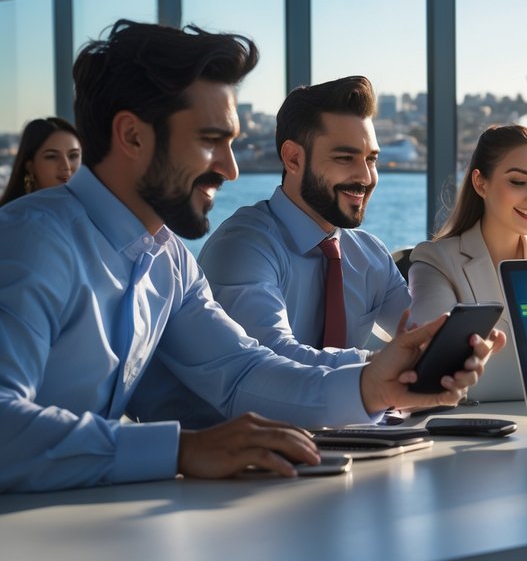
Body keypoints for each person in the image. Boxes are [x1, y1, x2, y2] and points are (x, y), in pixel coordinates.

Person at [0, 20, 501, 493]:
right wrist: (180, 451)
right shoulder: (30, 242)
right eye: (210, 141)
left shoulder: (170, 262)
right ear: (132, 136)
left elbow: (241, 371)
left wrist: (374, 386)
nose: (231, 169)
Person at [133, 76, 415, 427]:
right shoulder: (243, 245)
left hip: (333, 441)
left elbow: (420, 334)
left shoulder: (370, 254)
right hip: (229, 450)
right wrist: (377, 369)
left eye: (371, 159)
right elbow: (270, 359)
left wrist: (442, 349)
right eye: (345, 158)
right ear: (293, 158)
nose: (366, 176)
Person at [409, 125, 527, 401]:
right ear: (481, 183)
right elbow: (433, 371)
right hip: (470, 423)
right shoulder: (436, 261)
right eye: (518, 181)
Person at [0, 116, 81, 206]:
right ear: (30, 166)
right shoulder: (16, 213)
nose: (66, 166)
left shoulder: (89, 208)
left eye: (73, 156)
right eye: (52, 157)